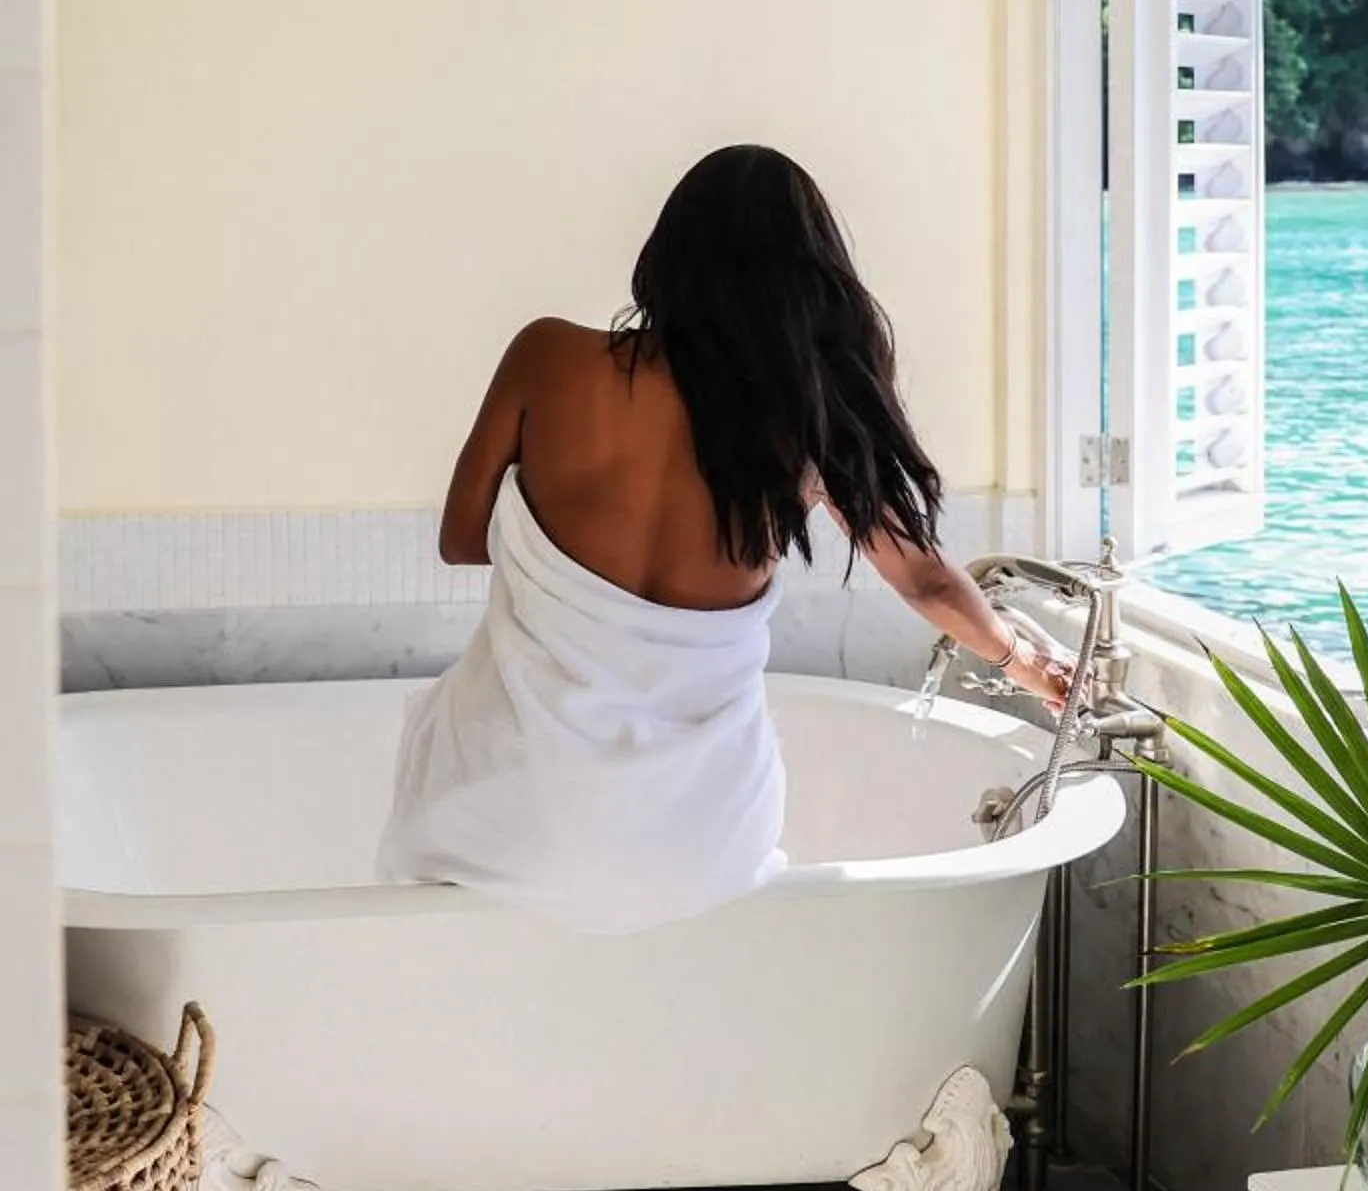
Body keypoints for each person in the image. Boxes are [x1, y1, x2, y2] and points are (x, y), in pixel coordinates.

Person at [377, 145, 1073, 931]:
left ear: (669, 253)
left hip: (503, 821)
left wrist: (562, 564)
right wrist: (1023, 662)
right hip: (700, 846)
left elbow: (459, 539)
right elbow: (929, 582)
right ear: (812, 279)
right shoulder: (804, 426)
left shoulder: (548, 356)